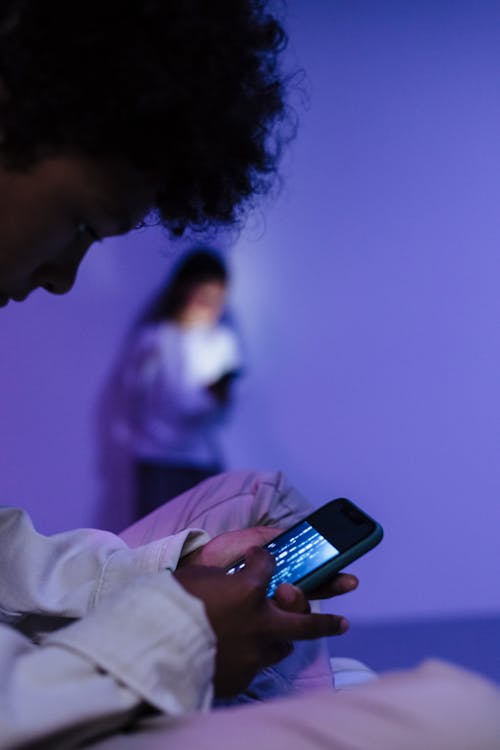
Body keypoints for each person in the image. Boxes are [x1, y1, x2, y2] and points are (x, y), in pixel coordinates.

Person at [0, 2, 498, 749]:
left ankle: (241, 648)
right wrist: (179, 634)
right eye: (80, 223)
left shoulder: (209, 342)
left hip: (178, 464)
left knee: (258, 506)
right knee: (466, 715)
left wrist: (175, 577)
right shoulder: (161, 344)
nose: (64, 278)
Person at [120, 247, 244, 518]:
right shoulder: (155, 340)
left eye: (216, 297)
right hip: (158, 460)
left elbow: (216, 409)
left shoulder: (223, 342)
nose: (209, 305)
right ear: (182, 291)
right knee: (151, 543)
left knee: (206, 539)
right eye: (203, 296)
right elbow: (159, 398)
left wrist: (215, 394)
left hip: (202, 462)